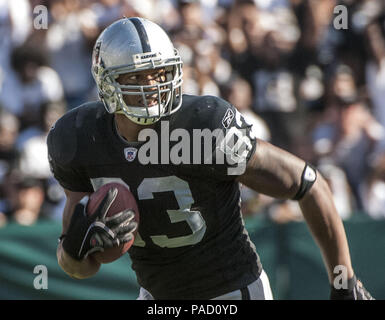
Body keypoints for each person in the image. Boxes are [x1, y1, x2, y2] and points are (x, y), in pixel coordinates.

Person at [47, 17, 373, 300]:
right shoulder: (80, 138)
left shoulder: (203, 127)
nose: (152, 86)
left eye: (159, 73)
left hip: (231, 292)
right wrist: (76, 247)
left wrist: (343, 281)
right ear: (107, 82)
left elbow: (307, 183)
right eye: (136, 76)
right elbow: (78, 268)